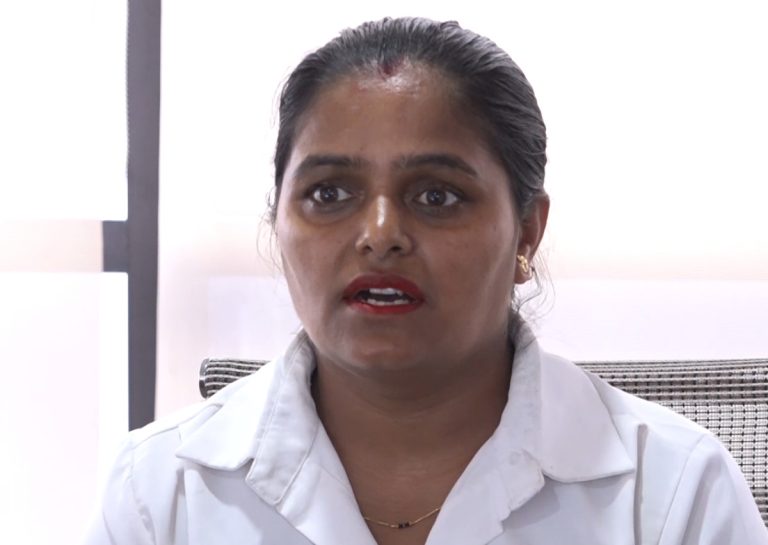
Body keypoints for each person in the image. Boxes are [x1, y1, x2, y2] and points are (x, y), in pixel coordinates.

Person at [85, 17, 767, 545]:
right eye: (329, 193)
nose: (380, 233)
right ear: (277, 221)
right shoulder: (160, 489)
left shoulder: (676, 491)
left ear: (527, 233)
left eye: (437, 195)